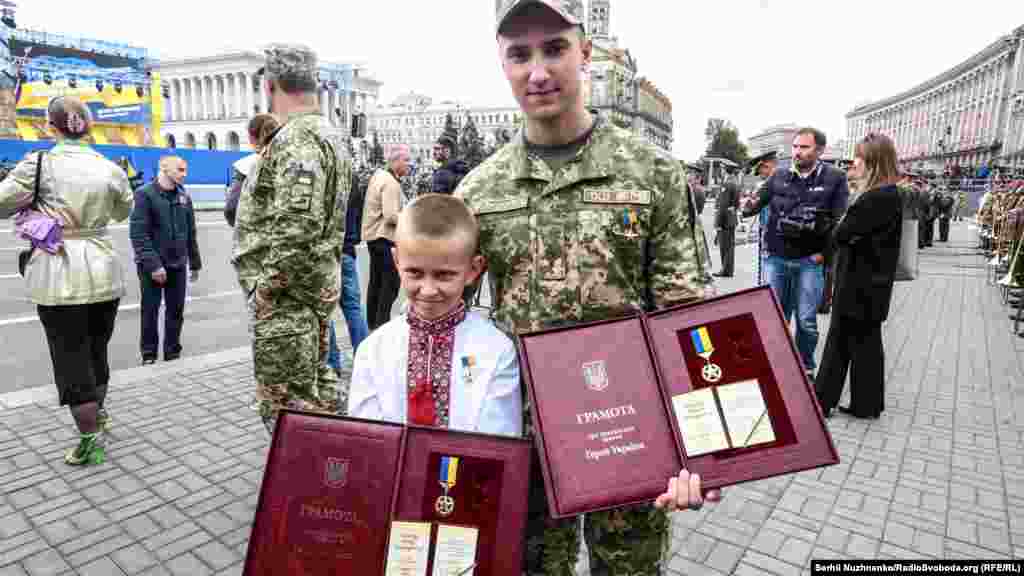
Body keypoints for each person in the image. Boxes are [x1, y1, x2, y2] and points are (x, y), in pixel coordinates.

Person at [456, 2, 715, 573]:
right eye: (519, 54)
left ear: (586, 53)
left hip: (632, 436)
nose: (538, 71)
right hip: (524, 440)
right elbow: (451, 326)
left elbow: (684, 315)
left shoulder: (650, 173)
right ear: (502, 63)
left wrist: (702, 449)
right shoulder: (479, 189)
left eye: (554, 48)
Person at [0, 96, 133, 465]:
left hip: (58, 270)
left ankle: (89, 443)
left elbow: (1, 202)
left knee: (70, 358)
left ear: (51, 126)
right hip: (104, 267)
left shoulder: (38, 163)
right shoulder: (109, 166)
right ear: (88, 126)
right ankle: (100, 417)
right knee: (96, 351)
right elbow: (123, 210)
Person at [232, 43, 351, 434]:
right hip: (311, 292)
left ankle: (314, 490)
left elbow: (296, 229)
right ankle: (339, 476)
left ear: (271, 85)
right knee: (317, 394)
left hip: (287, 301)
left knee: (287, 411)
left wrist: (265, 292)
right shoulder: (329, 135)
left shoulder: (296, 140)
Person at [348, 194, 521, 436]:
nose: (428, 290)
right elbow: (365, 440)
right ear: (396, 262)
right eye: (415, 273)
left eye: (444, 275)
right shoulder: (372, 350)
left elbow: (499, 440)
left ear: (473, 270)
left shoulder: (497, 351)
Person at [741, 128, 849, 379]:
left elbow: (840, 222)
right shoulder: (778, 176)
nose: (797, 152)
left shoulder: (835, 178)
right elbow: (754, 205)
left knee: (806, 320)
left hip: (810, 261)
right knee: (774, 317)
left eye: (804, 147)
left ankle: (805, 367)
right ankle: (772, 365)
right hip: (776, 259)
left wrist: (824, 254)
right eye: (795, 147)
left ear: (819, 150)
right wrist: (747, 204)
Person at [815, 133, 902, 420]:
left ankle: (822, 399)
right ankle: (867, 404)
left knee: (839, 343)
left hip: (857, 284)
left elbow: (842, 234)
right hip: (873, 286)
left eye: (859, 157)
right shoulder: (890, 193)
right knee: (866, 345)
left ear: (872, 162)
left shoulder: (874, 197)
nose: (855, 162)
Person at [130, 156, 202, 364]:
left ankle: (172, 353)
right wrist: (153, 265)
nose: (184, 174)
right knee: (150, 312)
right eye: (180, 170)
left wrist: (194, 263)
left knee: (176, 311)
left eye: (185, 169)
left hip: (178, 264)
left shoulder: (183, 196)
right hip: (152, 267)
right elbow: (138, 234)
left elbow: (191, 232)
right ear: (164, 168)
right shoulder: (144, 195)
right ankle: (149, 355)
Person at [363, 145, 408, 330]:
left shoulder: (378, 176)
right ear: (395, 161)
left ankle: (373, 323)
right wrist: (409, 219)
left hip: (373, 237)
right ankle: (382, 325)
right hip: (385, 237)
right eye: (406, 160)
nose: (409, 164)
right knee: (390, 285)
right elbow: (390, 215)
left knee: (376, 282)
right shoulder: (390, 182)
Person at [224, 114, 280, 227]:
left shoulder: (245, 166)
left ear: (251, 138)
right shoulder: (293, 161)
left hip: (257, 238)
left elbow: (232, 210)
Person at [714, 172, 739, 277]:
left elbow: (722, 205)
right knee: (729, 247)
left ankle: (726, 270)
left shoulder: (727, 184)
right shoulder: (735, 183)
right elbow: (736, 203)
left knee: (725, 247)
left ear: (724, 170)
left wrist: (718, 222)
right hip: (731, 219)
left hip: (725, 221)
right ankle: (728, 270)